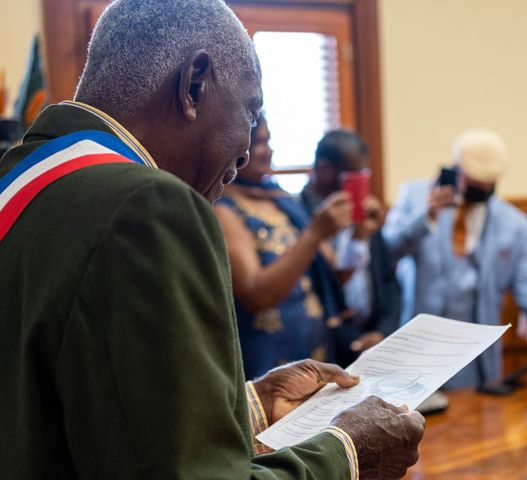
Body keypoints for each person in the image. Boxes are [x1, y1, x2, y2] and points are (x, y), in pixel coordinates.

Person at [0, 1, 425, 479]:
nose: (246, 151)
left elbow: (69, 410)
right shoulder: (147, 207)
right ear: (195, 84)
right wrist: (346, 453)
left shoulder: (20, 176)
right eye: (251, 110)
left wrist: (252, 404)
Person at [383, 128, 527, 390]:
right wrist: (426, 216)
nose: (478, 190)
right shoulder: (415, 197)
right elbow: (387, 253)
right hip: (415, 351)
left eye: (486, 185)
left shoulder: (514, 225)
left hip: (474, 361)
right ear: (454, 168)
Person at [214, 114, 353, 378]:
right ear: (235, 144)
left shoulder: (282, 199)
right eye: (260, 143)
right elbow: (255, 295)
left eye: (269, 141)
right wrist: (313, 235)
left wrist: (359, 239)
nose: (269, 151)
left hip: (315, 347)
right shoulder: (223, 208)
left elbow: (336, 277)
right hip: (267, 357)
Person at [300, 129, 402, 365]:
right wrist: (354, 342)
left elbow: (389, 281)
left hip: (376, 345)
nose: (361, 186)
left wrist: (382, 333)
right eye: (354, 177)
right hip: (326, 352)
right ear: (324, 169)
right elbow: (315, 295)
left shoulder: (364, 213)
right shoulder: (299, 218)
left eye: (364, 176)